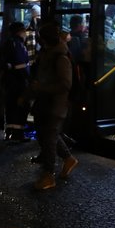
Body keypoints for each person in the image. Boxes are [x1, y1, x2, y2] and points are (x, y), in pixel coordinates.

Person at [26, 21, 77, 190]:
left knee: (49, 139)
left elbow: (65, 85)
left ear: (44, 39)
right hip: (44, 103)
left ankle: (48, 175)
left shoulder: (60, 57)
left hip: (55, 105)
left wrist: (41, 88)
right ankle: (68, 159)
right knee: (47, 135)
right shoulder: (46, 54)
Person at [1, 21, 31, 141]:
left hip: (9, 81)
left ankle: (8, 131)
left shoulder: (8, 42)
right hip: (19, 82)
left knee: (10, 106)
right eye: (24, 31)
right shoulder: (18, 44)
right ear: (20, 31)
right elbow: (21, 65)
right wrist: (28, 79)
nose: (25, 33)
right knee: (21, 106)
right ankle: (18, 134)